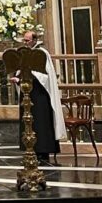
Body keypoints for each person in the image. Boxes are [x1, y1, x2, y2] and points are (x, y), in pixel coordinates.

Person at [12, 31, 66, 164]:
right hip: (28, 95)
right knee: (29, 122)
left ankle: (43, 152)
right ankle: (31, 150)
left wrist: (21, 79)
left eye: (27, 41)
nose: (25, 43)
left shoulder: (41, 53)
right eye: (24, 41)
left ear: (35, 40)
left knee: (41, 122)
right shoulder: (25, 53)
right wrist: (18, 78)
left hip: (40, 95)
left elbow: (43, 76)